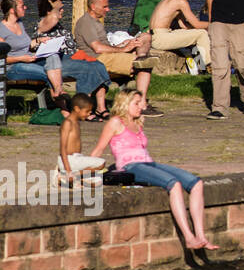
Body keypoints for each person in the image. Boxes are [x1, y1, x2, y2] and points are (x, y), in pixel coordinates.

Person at [90, 90, 217, 250]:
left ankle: (201, 236)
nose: (141, 107)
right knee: (174, 184)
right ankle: (189, 237)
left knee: (196, 183)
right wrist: (85, 172)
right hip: (130, 166)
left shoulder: (138, 122)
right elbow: (99, 149)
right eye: (136, 103)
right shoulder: (115, 122)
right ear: (124, 103)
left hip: (148, 163)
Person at [74, 0, 159, 116]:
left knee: (145, 37)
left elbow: (104, 46)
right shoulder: (86, 22)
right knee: (143, 63)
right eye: (104, 7)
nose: (108, 10)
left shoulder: (96, 22)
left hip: (106, 55)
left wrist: (124, 44)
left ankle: (140, 55)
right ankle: (141, 104)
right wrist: (123, 50)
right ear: (93, 6)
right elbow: (97, 48)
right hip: (97, 59)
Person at [28, 0, 112, 118]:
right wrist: (54, 6)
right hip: (54, 61)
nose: (62, 10)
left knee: (98, 65)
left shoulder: (57, 25)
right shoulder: (44, 23)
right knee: (87, 69)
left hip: (70, 57)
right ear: (50, 9)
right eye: (60, 8)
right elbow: (50, 21)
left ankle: (100, 107)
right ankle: (81, 108)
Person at [149, 0, 212, 70]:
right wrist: (215, 24)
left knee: (196, 33)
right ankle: (207, 66)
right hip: (160, 37)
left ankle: (200, 66)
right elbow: (196, 24)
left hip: (158, 35)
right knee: (202, 33)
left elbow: (183, 25)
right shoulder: (180, 1)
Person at [58, 94, 105, 184]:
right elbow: (63, 148)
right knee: (102, 163)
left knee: (98, 181)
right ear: (77, 109)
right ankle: (69, 175)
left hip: (76, 158)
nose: (88, 114)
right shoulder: (68, 123)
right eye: (87, 111)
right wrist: (68, 170)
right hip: (68, 160)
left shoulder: (76, 122)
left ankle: (73, 178)